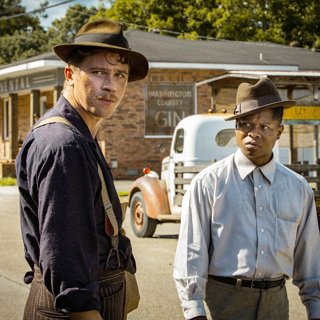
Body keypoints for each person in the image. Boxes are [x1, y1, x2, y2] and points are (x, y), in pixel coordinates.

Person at [16, 19, 148, 320]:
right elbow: (65, 258)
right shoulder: (64, 145)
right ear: (70, 74)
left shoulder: (79, 135)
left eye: (120, 75)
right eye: (98, 72)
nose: (110, 86)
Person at [173, 78, 320, 320]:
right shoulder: (209, 183)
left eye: (264, 127)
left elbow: (310, 259)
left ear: (279, 131)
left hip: (276, 302)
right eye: (246, 125)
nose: (253, 134)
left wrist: (315, 309)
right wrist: (194, 311)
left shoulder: (297, 188)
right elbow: (192, 252)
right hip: (225, 301)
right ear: (236, 128)